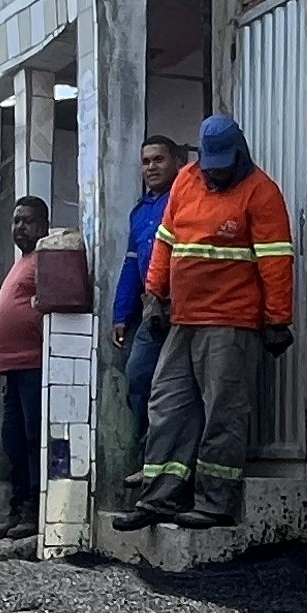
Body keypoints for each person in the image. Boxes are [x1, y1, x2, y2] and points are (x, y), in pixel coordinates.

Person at [115, 114, 295, 533]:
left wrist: (277, 320)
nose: (214, 171)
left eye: (222, 163)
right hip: (183, 317)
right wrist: (154, 296)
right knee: (167, 403)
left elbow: (276, 261)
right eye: (209, 163)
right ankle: (159, 497)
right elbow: (165, 242)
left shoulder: (261, 192)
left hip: (231, 321)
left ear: (239, 152)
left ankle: (214, 502)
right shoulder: (187, 181)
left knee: (223, 411)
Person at [0, 193, 49, 538]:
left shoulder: (46, 258)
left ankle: (32, 512)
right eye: (16, 220)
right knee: (12, 439)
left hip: (34, 364)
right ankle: (17, 505)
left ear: (43, 225)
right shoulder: (22, 261)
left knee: (31, 437)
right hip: (11, 367)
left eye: (27, 220)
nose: (19, 226)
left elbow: (54, 303)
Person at [110, 133, 182, 431]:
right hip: (152, 312)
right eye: (145, 161)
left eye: (159, 159)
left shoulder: (185, 201)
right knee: (139, 375)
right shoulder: (140, 212)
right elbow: (130, 265)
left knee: (180, 387)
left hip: (185, 308)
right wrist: (121, 314)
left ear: (179, 162)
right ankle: (147, 455)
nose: (151, 167)